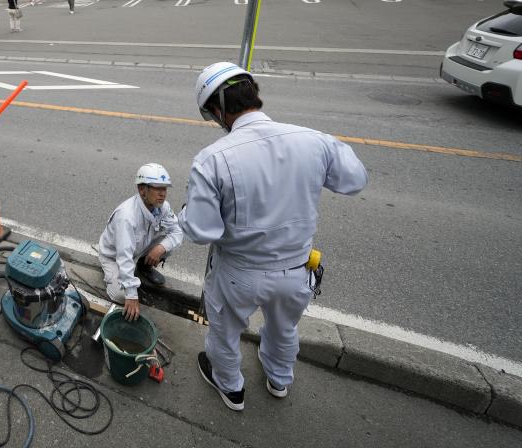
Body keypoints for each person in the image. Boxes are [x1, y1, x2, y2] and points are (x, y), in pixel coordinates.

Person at [179, 62, 368, 412]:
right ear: (255, 94)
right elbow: (354, 179)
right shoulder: (313, 140)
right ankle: (279, 380)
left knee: (224, 333)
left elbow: (201, 230)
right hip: (297, 270)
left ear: (219, 110)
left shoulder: (212, 159)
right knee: (284, 330)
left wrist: (185, 213)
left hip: (239, 273)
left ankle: (231, 387)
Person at [98, 163, 184, 322]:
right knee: (121, 295)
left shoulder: (162, 207)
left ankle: (143, 266)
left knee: (167, 245)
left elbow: (177, 232)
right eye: (157, 188)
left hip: (138, 249)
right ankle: (112, 279)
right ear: (142, 190)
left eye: (164, 189)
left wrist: (160, 248)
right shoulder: (127, 217)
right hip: (114, 257)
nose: (162, 194)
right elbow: (124, 257)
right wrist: (131, 295)